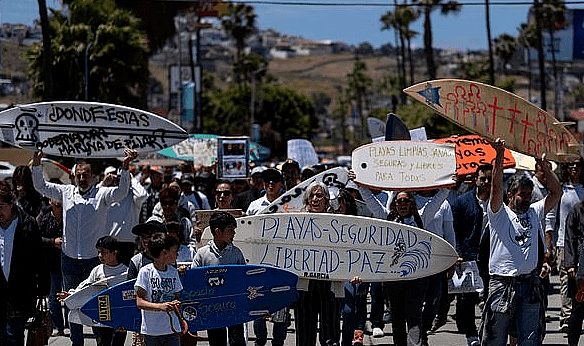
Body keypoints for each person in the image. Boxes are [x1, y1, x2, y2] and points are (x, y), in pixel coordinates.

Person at [31, 148, 138, 346]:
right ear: (73, 176)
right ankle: (76, 342)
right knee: (73, 305)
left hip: (94, 261)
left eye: (86, 175)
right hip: (69, 258)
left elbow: (122, 191)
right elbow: (40, 186)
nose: (82, 178)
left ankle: (101, 341)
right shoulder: (65, 192)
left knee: (98, 304)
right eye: (79, 175)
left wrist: (125, 167)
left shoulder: (102, 194)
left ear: (93, 176)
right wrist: (36, 164)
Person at [481, 138, 561, 346]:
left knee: (529, 339)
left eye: (529, 195)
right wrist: (499, 155)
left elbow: (556, 192)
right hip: (502, 285)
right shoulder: (499, 213)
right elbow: (496, 188)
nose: (526, 199)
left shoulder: (534, 211)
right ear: (510, 195)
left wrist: (545, 168)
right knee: (494, 340)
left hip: (529, 284)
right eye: (521, 195)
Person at [444, 164, 493, 345]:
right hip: (468, 256)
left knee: (491, 296)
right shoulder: (462, 202)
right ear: (476, 180)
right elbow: (454, 229)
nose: (486, 182)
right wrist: (457, 253)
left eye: (489, 178)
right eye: (483, 179)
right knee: (467, 298)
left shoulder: (498, 202)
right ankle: (471, 334)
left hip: (491, 257)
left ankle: (487, 330)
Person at [0, 180, 49, 345]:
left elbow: (39, 258)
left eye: (1, 206)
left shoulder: (27, 224)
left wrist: (43, 288)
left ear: (11, 204)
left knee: (15, 337)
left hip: (19, 295)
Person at [295, 181, 343, 346]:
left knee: (330, 333)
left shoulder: (338, 223)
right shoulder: (296, 223)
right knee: (304, 331)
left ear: (327, 200)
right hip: (305, 284)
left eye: (319, 195)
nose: (315, 199)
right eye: (312, 196)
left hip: (330, 283)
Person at [58, 236, 128, 346]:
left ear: (114, 252)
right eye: (99, 252)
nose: (100, 256)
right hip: (101, 317)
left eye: (104, 252)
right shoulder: (97, 270)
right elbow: (84, 287)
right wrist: (70, 294)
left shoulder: (125, 272)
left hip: (119, 320)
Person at [192, 211, 246, 346]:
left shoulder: (236, 253)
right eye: (230, 230)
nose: (233, 233)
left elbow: (244, 277)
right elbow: (194, 279)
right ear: (217, 231)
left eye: (234, 230)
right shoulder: (202, 254)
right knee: (216, 340)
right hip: (213, 308)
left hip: (234, 307)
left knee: (237, 340)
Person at [383, 191, 428, 346]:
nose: (402, 204)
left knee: (414, 315)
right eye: (399, 201)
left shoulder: (422, 216)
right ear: (394, 204)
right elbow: (369, 199)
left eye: (405, 201)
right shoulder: (387, 218)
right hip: (394, 277)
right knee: (397, 315)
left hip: (417, 276)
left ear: (411, 203)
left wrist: (447, 186)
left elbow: (439, 198)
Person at [135, 232, 183, 346]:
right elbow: (139, 302)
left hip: (172, 329)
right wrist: (160, 306)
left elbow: (177, 296)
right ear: (164, 252)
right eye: (174, 251)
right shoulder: (145, 272)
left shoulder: (173, 272)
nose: (177, 254)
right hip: (152, 331)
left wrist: (176, 303)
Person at [555, 158, 584, 333]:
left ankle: (577, 315)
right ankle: (566, 317)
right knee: (566, 280)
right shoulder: (561, 189)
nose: (574, 168)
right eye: (571, 165)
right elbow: (552, 216)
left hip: (582, 243)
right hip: (563, 242)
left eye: (578, 165)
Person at [100, 165, 148, 265]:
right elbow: (93, 200)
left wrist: (132, 179)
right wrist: (103, 184)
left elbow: (142, 195)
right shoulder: (107, 195)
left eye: (121, 178)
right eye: (117, 178)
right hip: (108, 244)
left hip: (127, 245)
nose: (119, 181)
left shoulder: (133, 196)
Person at [37, 199, 65, 336]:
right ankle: (57, 325)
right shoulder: (44, 216)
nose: (58, 201)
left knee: (70, 294)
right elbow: (35, 237)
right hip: (51, 263)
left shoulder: (69, 214)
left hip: (69, 261)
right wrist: (53, 242)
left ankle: (74, 325)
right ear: (50, 200)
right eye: (55, 198)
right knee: (54, 296)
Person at [565, 198, 584, 346]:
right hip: (581, 267)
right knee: (578, 309)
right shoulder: (577, 210)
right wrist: (570, 264)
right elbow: (570, 238)